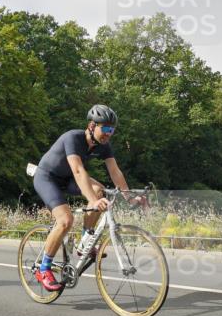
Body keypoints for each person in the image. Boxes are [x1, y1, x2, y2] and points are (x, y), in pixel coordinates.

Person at [30, 105, 144, 291]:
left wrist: (129, 197)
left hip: (67, 179)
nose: (109, 133)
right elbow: (78, 170)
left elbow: (115, 172)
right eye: (105, 128)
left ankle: (85, 242)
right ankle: (43, 269)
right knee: (66, 220)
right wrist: (93, 200)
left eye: (112, 130)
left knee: (100, 190)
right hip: (47, 177)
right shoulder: (72, 138)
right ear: (92, 125)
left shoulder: (104, 145)